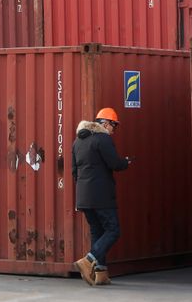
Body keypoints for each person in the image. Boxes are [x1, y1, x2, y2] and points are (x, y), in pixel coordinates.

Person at [72, 107, 131, 286]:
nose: (114, 130)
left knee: (98, 231)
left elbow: (74, 171)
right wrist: (125, 163)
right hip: (101, 195)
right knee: (113, 230)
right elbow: (114, 163)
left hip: (83, 196)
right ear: (105, 123)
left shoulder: (77, 142)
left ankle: (101, 273)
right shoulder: (102, 138)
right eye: (114, 126)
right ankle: (88, 260)